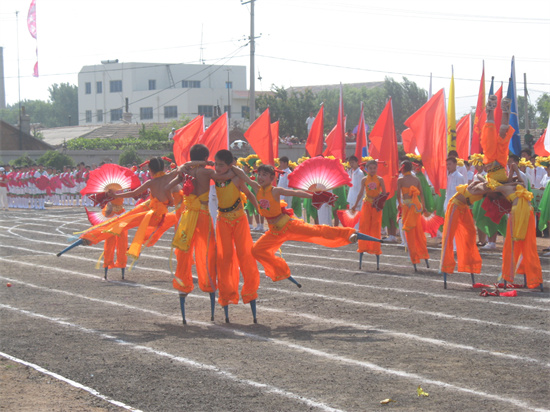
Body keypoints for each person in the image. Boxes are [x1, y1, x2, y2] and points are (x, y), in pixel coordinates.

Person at [234, 164, 377, 288]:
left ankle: (348, 234)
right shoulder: (256, 187)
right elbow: (242, 174)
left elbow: (295, 192)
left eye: (264, 175)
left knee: (316, 231)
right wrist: (227, 165)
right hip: (273, 232)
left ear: (272, 178)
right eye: (259, 174)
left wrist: (314, 196)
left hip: (288, 225)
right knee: (257, 250)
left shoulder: (275, 191)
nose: (260, 177)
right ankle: (281, 271)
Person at [167, 144, 220, 324]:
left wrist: (184, 168)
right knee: (207, 253)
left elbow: (169, 186)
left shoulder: (184, 172)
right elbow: (224, 177)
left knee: (183, 253)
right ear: (205, 157)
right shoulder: (207, 173)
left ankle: (183, 288)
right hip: (203, 215)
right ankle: (210, 287)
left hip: (187, 215)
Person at [439, 180, 485, 282]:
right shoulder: (486, 188)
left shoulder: (489, 188)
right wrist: (488, 183)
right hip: (455, 205)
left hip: (464, 207)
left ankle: (469, 262)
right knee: (449, 235)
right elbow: (479, 181)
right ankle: (445, 264)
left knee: (471, 233)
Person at [396, 160, 429, 269]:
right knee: (418, 231)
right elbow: (422, 195)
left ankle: (414, 258)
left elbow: (397, 196)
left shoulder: (400, 180)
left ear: (403, 168)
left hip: (407, 207)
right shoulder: (416, 179)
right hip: (417, 207)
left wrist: (399, 206)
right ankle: (424, 255)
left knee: (409, 233)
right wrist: (423, 207)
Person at [351, 160, 386, 261]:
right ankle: (363, 247)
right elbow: (360, 193)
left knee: (375, 226)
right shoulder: (364, 180)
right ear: (367, 169)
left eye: (374, 168)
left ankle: (375, 248)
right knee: (364, 225)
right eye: (370, 168)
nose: (372, 170)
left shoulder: (380, 179)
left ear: (377, 168)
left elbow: (384, 193)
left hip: (376, 206)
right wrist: (355, 205)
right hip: (366, 204)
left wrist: (381, 203)